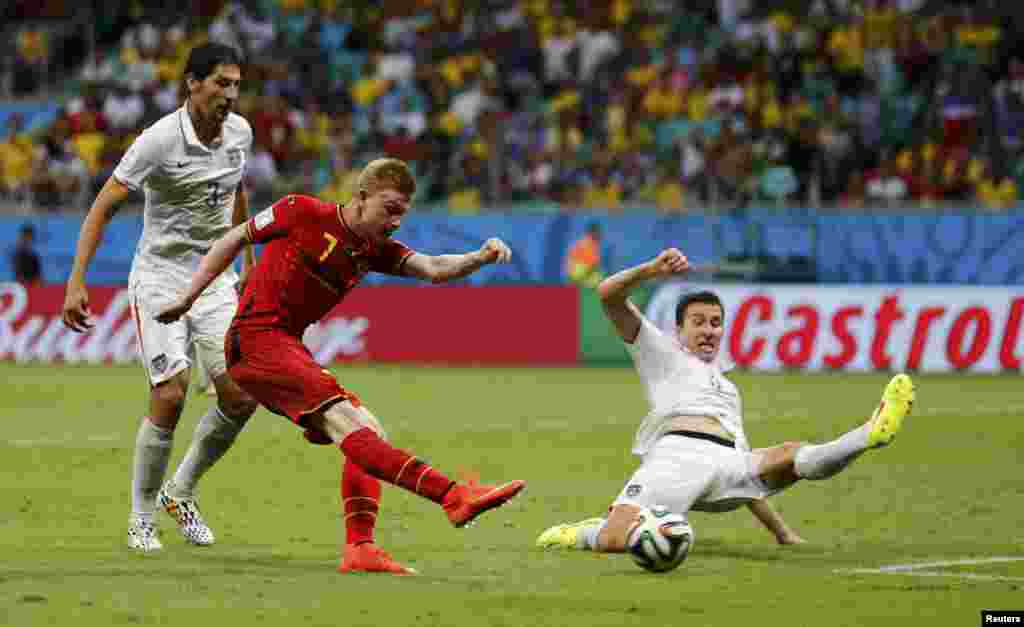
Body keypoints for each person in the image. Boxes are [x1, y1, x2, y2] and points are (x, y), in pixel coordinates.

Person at [155, 158, 526, 574]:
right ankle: (453, 496)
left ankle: (361, 548)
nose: (395, 221)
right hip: (256, 339)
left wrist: (480, 256)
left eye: (402, 213)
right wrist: (190, 297)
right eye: (389, 208)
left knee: (368, 430)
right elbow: (236, 236)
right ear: (361, 197)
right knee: (351, 424)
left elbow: (433, 267)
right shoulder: (303, 211)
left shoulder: (372, 249)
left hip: (285, 347)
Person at [536, 248, 915, 555]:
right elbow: (608, 294)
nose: (708, 330)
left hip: (730, 464)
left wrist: (780, 532)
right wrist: (651, 269)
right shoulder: (660, 351)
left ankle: (869, 433)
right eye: (698, 322)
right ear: (678, 329)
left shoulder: (727, 388)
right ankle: (584, 533)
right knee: (616, 540)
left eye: (715, 322)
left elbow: (752, 483)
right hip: (676, 460)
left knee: (790, 455)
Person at [61, 43, 259, 552]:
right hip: (161, 277)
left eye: (235, 84)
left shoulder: (241, 134)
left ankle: (181, 492)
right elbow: (103, 206)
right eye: (220, 82)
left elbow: (238, 192)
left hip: (215, 279)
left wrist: (251, 264)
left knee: (242, 395)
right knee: (170, 393)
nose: (230, 94)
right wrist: (76, 281)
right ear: (191, 83)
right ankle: (141, 517)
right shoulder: (158, 141)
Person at [565, 222, 604, 288]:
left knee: (599, 275)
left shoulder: (583, 241)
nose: (600, 234)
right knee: (599, 276)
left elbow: (570, 258)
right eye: (598, 232)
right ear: (593, 233)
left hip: (574, 273)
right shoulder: (591, 244)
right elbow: (592, 264)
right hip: (579, 272)